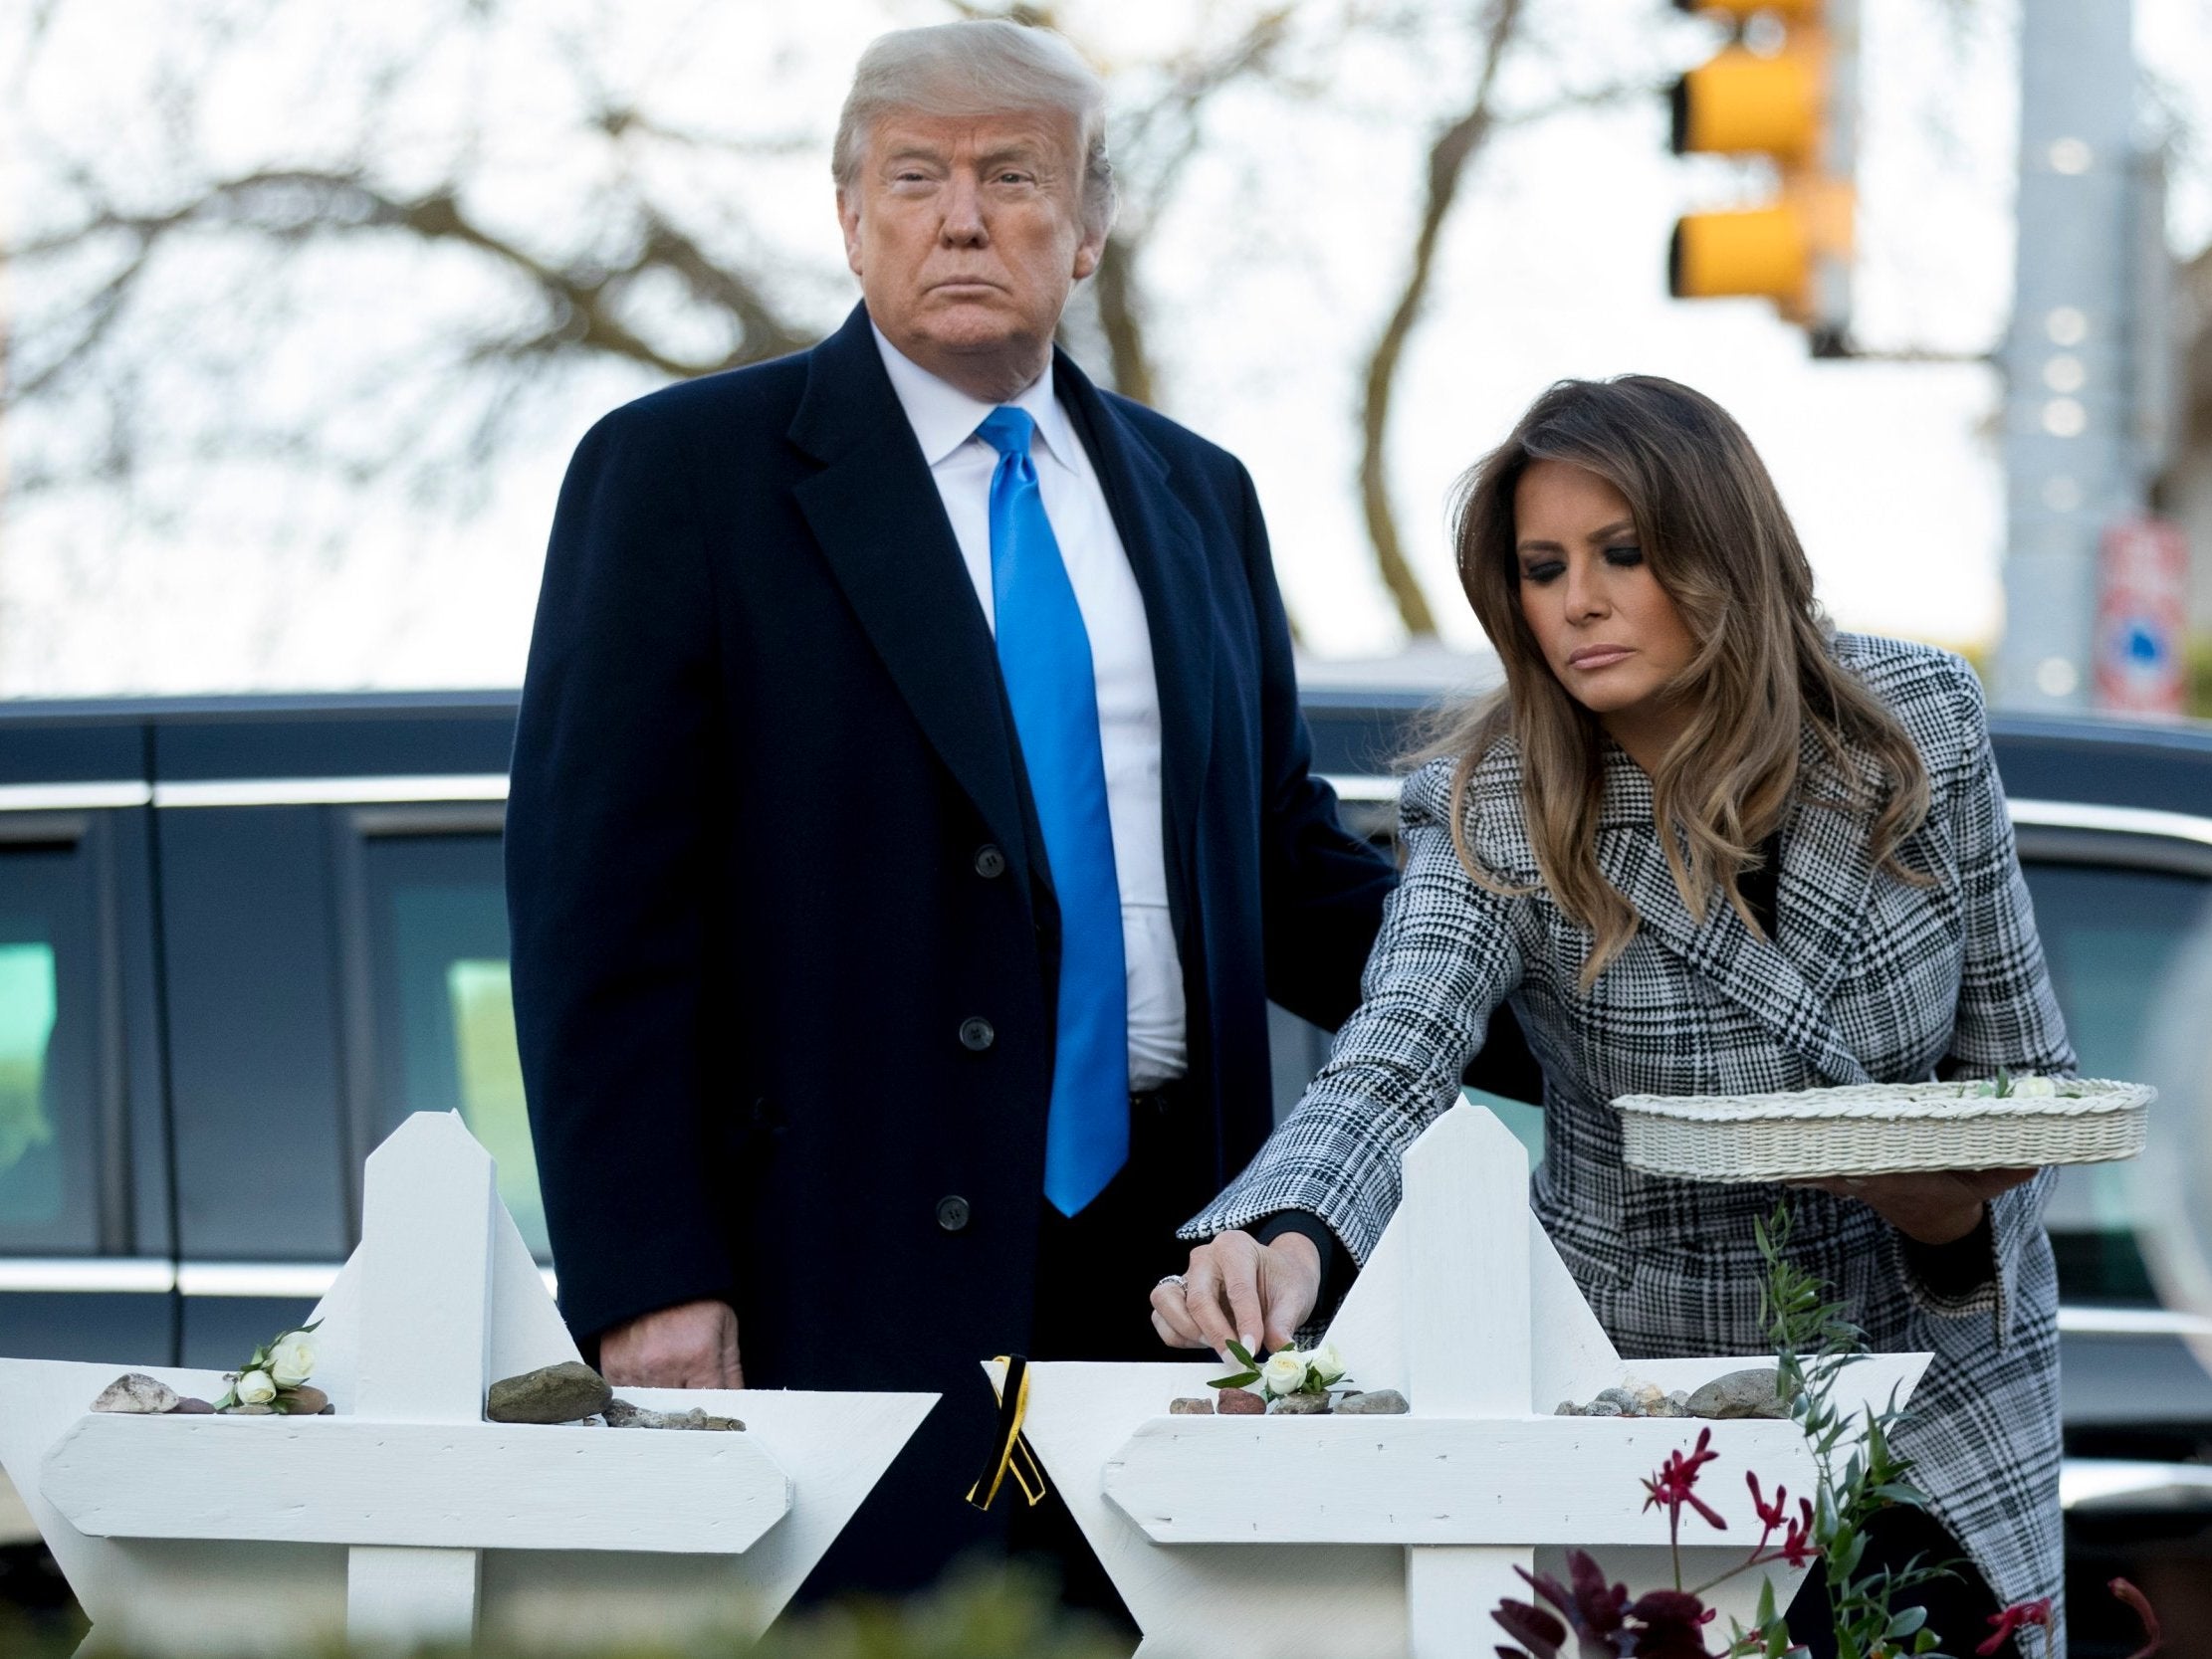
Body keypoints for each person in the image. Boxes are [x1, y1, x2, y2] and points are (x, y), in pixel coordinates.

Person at [504, 17, 1537, 1600]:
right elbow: (598, 911)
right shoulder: (681, 478)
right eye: (913, 175)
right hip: (827, 1271)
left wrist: (1596, 999)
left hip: (1178, 1266)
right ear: (849, 215)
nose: (962, 215)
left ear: (1090, 225)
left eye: (1011, 175)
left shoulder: (1199, 496)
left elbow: (1286, 865)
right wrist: (651, 1272)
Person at [1154, 375, 2072, 1656]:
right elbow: (1392, 1058)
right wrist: (1281, 1239)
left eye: (1620, 553)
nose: (1575, 600)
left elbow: (2026, 1075)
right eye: (1539, 567)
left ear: (1721, 544)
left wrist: (1941, 1207)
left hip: (1929, 1394)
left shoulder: (1912, 725)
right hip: (1649, 1426)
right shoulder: (1492, 807)